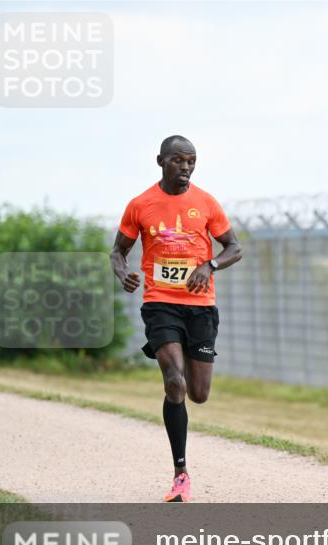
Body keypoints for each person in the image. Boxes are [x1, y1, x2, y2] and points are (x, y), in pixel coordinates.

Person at [110, 135, 242, 501]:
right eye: (178, 161)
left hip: (200, 307)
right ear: (161, 161)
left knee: (198, 393)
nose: (185, 168)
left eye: (191, 161)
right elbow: (118, 252)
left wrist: (209, 264)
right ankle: (180, 474)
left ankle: (184, 374)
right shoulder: (141, 205)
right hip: (160, 303)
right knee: (175, 383)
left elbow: (235, 246)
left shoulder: (205, 202)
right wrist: (123, 275)